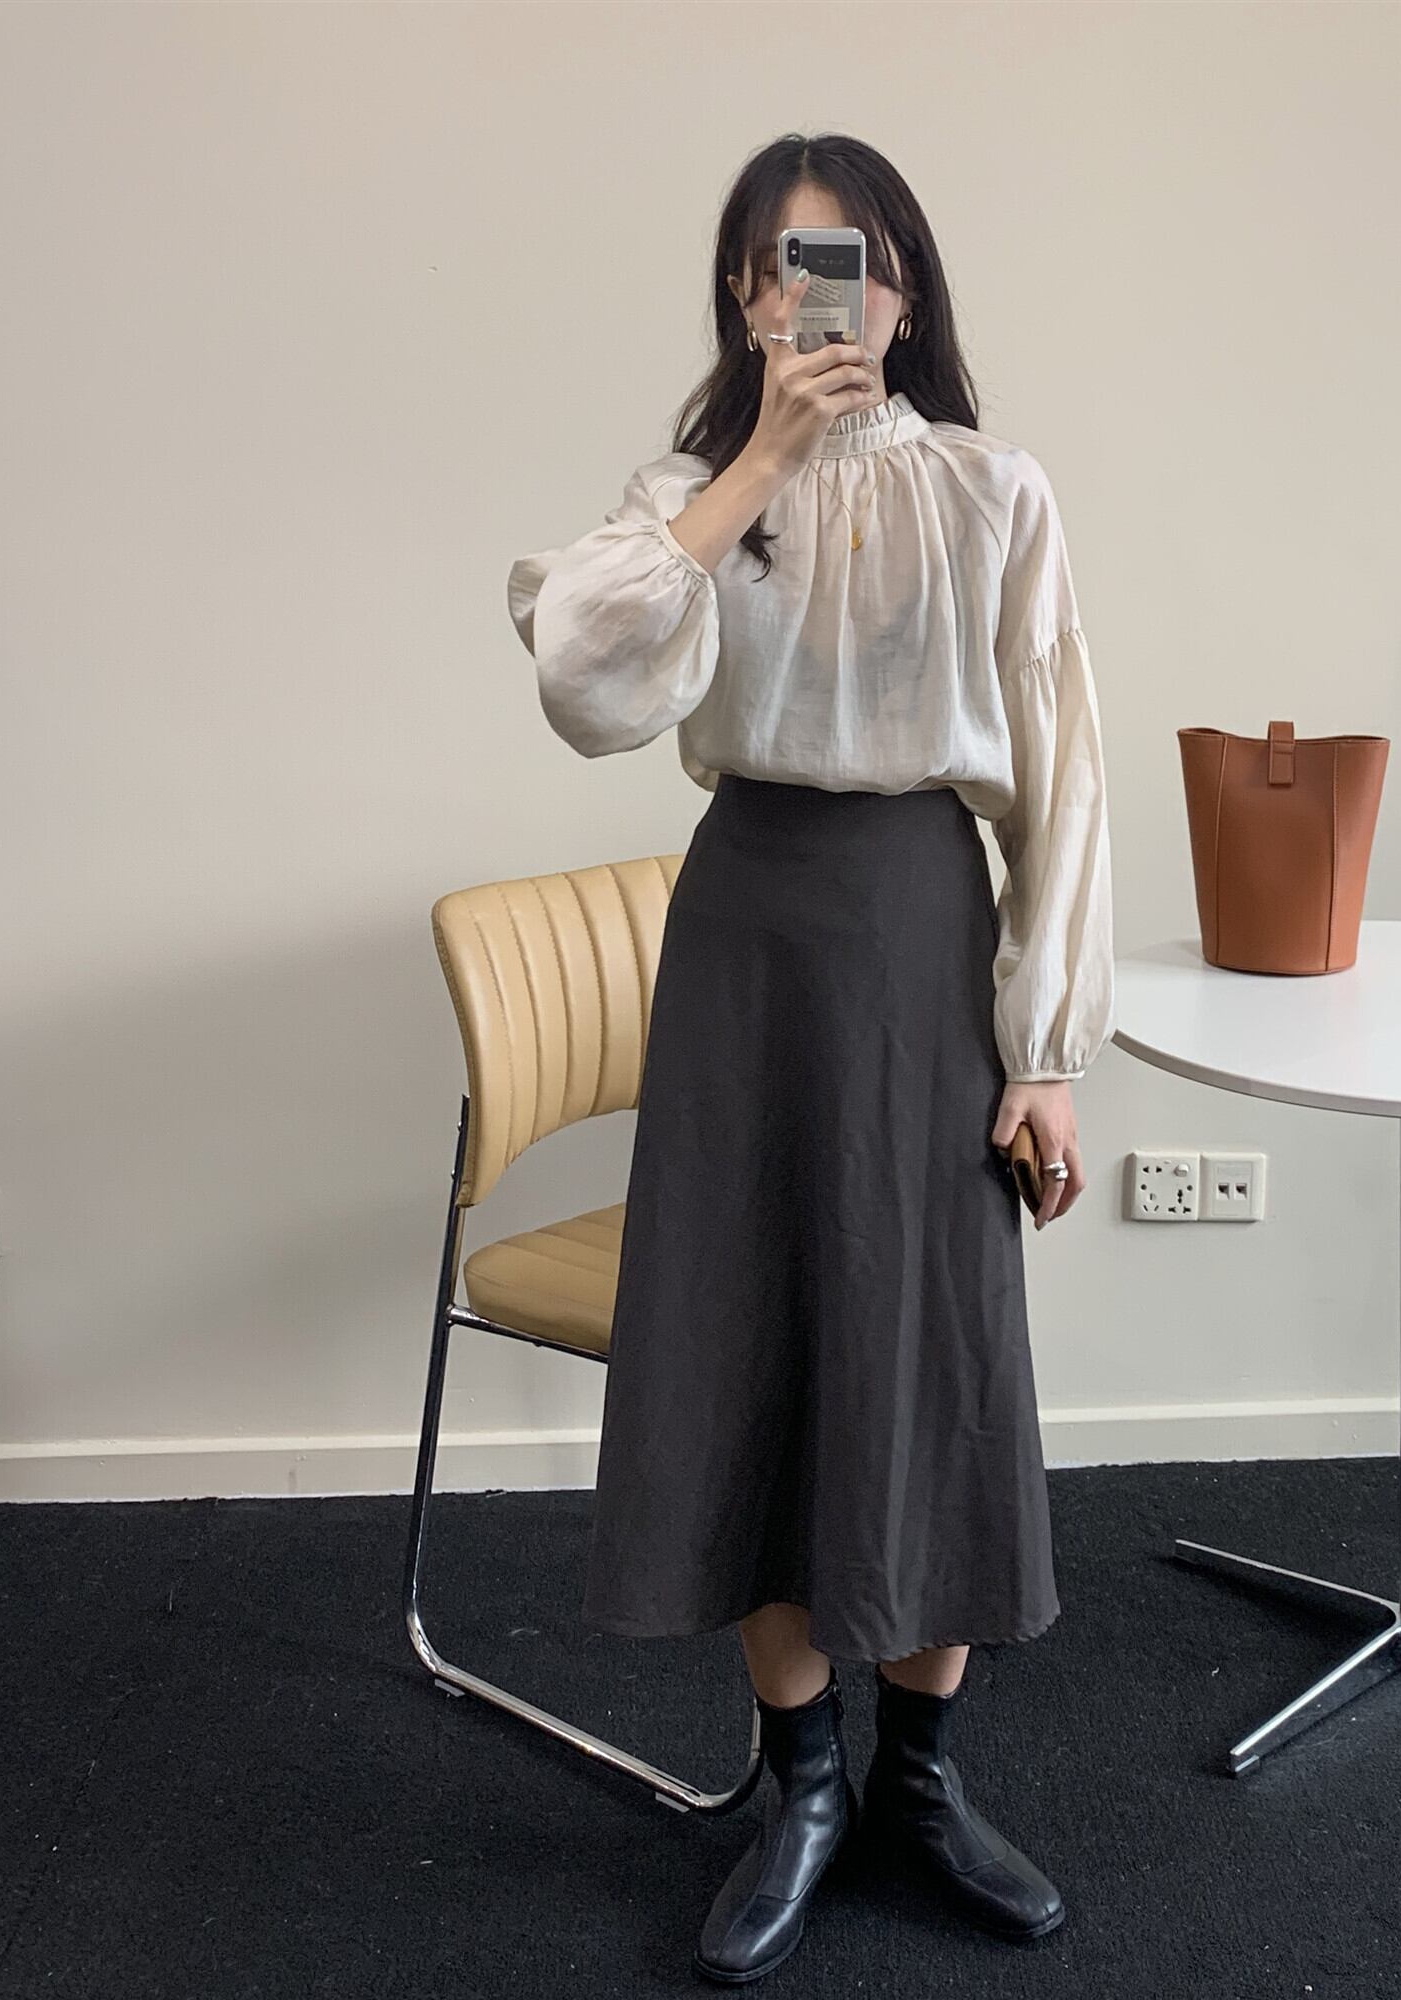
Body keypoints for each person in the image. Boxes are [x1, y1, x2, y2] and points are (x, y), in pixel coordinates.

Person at [505, 132, 1115, 1985]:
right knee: (751, 1343)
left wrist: (1047, 1050)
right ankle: (805, 1788)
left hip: (921, 934)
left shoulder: (995, 492)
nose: (815, 294)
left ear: (905, 294)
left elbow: (1063, 779)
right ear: (744, 299)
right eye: (781, 266)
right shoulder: (685, 502)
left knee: (930, 1347)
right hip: (749, 941)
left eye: (849, 262)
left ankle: (918, 1781)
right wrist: (756, 465)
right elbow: (585, 684)